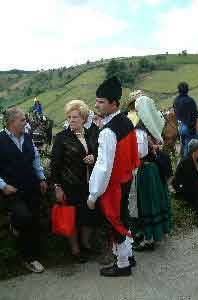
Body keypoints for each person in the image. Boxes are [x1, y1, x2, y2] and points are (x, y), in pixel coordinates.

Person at [87, 76, 140, 277]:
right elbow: (137, 152)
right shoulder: (126, 121)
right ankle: (129, 254)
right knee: (123, 219)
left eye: (101, 102)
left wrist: (93, 195)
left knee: (115, 222)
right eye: (97, 100)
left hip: (113, 186)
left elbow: (102, 168)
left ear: (114, 103)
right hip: (126, 180)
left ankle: (123, 263)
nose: (96, 105)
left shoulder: (108, 132)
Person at [51, 100, 99, 263]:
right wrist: (57, 187)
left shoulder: (91, 133)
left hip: (89, 184)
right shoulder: (61, 138)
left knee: (89, 215)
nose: (71, 120)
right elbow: (55, 164)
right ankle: (75, 250)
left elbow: (97, 152)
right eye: (69, 117)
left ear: (84, 118)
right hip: (70, 185)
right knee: (72, 218)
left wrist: (94, 157)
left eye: (75, 117)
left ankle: (85, 244)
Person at [0, 107, 48, 273]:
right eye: (22, 120)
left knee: (34, 219)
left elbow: (35, 159)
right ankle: (29, 258)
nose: (25, 122)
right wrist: (3, 185)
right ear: (12, 122)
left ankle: (33, 255)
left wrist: (41, 178)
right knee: (23, 217)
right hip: (12, 190)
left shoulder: (27, 137)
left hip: (31, 186)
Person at [132, 95, 172, 250]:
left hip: (146, 169)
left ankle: (148, 239)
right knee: (157, 199)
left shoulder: (140, 128)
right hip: (156, 168)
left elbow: (140, 153)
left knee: (147, 203)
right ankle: (160, 231)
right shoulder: (155, 124)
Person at [173, 82, 198, 157]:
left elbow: (175, 113)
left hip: (180, 127)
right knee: (192, 147)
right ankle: (189, 163)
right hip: (188, 126)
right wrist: (193, 129)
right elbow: (194, 115)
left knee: (184, 146)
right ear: (187, 90)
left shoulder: (176, 100)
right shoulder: (190, 100)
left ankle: (183, 160)